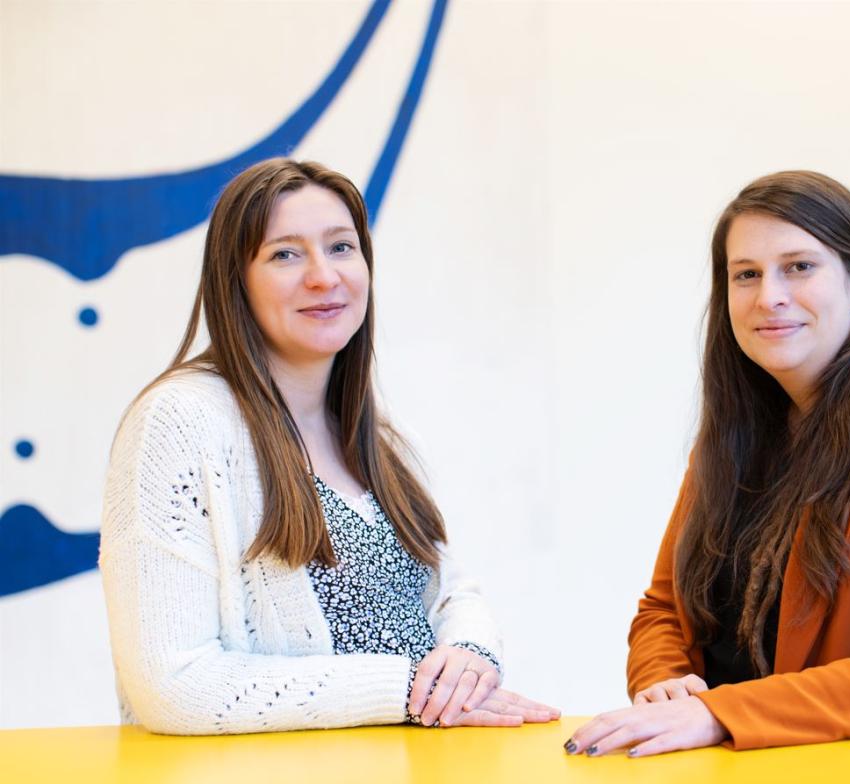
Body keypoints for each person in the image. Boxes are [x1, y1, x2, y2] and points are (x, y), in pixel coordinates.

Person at [99, 159, 557, 735]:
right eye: (285, 254)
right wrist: (406, 690)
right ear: (234, 280)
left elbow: (448, 590)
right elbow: (173, 685)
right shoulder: (180, 420)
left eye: (341, 247)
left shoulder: (376, 436)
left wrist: (471, 653)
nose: (323, 276)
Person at [567, 171, 850, 757]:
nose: (768, 296)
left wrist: (720, 714)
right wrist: (665, 689)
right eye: (745, 274)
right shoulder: (732, 436)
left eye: (799, 267)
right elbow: (663, 612)